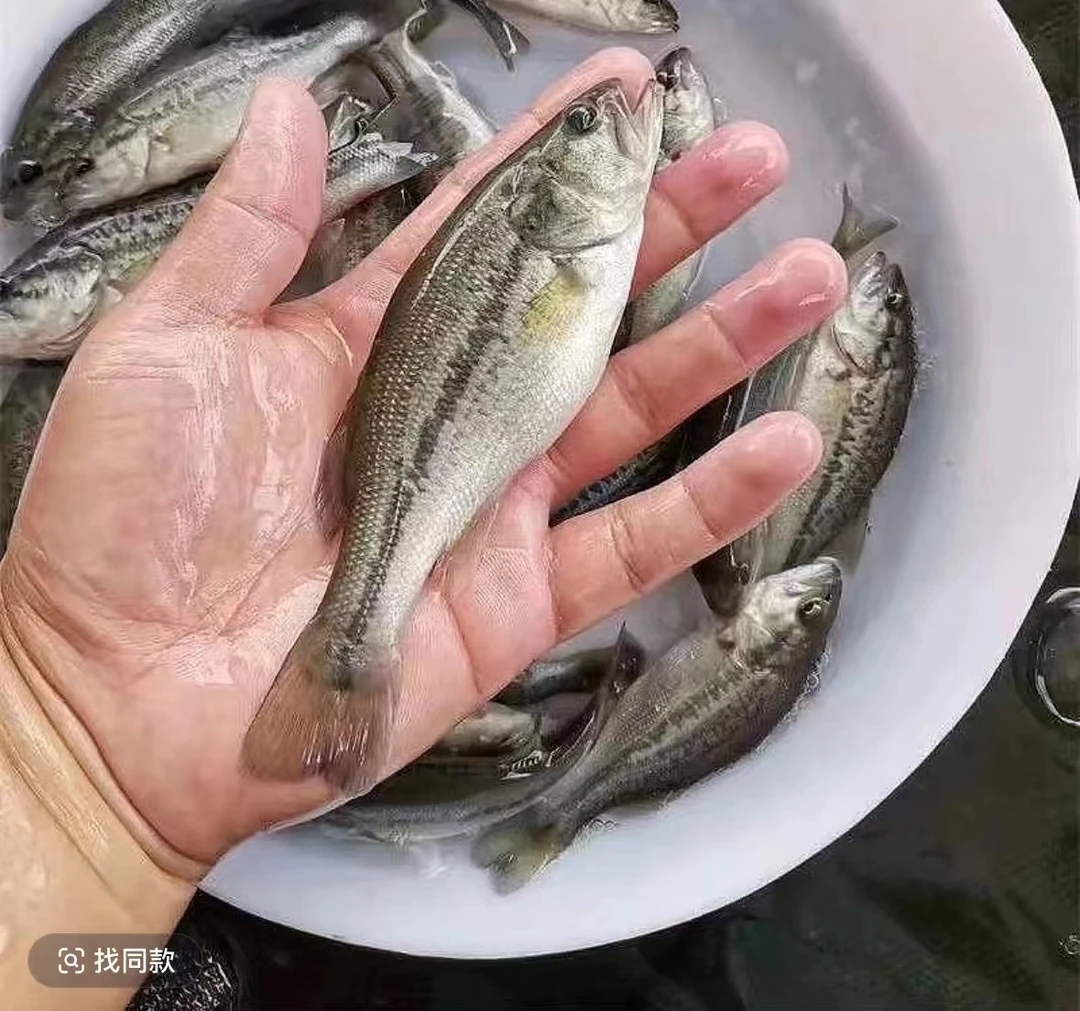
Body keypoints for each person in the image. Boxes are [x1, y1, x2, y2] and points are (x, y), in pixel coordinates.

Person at [0, 49, 845, 1008]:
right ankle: (348, 653)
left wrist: (63, 769)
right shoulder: (570, 243)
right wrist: (65, 751)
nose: (607, 120)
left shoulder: (578, 241)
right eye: (581, 132)